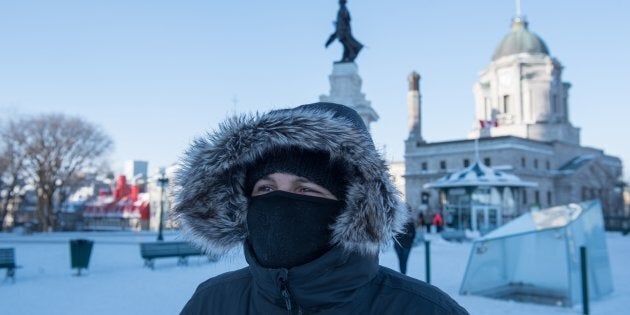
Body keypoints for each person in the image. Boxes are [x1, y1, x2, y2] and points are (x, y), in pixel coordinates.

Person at [172, 102, 469, 314]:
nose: (280, 204)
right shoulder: (211, 302)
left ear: (351, 207)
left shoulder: (426, 309)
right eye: (266, 188)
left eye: (305, 189)